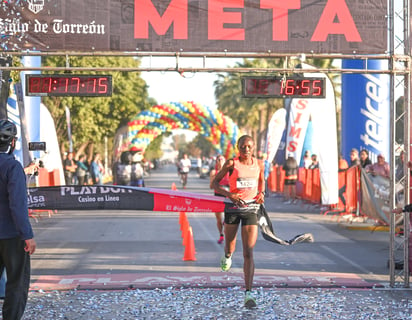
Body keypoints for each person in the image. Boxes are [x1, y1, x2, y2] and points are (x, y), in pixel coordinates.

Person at [211, 135, 265, 308]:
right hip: (233, 209)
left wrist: (262, 193)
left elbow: (262, 181)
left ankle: (248, 293)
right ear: (238, 147)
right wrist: (229, 195)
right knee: (230, 246)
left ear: (253, 146)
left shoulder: (259, 164)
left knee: (248, 252)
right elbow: (215, 184)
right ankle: (227, 255)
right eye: (243, 147)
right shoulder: (231, 164)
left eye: (249, 146)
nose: (246, 150)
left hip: (251, 210)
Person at [0, 119, 36, 319]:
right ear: (12, 143)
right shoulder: (12, 167)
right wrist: (27, 235)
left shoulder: (14, 169)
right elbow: (17, 205)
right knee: (16, 283)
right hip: (12, 235)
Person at [209, 155, 229, 244]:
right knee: (218, 219)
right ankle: (221, 234)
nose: (220, 161)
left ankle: (226, 226)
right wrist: (214, 180)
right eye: (219, 160)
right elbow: (210, 186)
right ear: (216, 162)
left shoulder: (229, 172)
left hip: (228, 197)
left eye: (222, 160)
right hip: (217, 197)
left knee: (228, 217)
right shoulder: (214, 172)